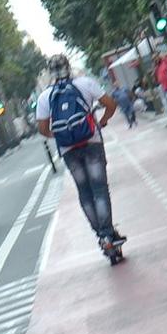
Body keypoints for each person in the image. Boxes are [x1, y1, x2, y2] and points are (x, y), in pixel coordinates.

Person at [37, 55, 123, 256]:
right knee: (100, 189)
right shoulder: (85, 84)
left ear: (51, 73)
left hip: (68, 150)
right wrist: (102, 122)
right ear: (69, 67)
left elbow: (42, 129)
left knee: (84, 192)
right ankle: (108, 234)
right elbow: (110, 104)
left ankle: (100, 235)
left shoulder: (45, 97)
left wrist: (59, 135)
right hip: (91, 142)